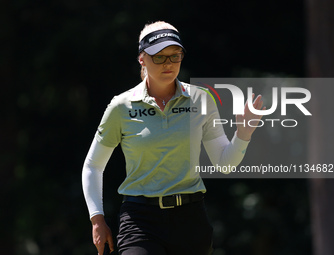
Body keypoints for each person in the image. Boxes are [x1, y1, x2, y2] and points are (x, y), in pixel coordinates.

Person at [82, 21, 264, 255]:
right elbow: (93, 165)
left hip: (190, 220)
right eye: (159, 57)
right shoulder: (121, 106)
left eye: (175, 56)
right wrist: (97, 219)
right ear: (142, 59)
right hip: (140, 220)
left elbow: (224, 163)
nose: (168, 64)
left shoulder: (201, 99)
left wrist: (243, 134)